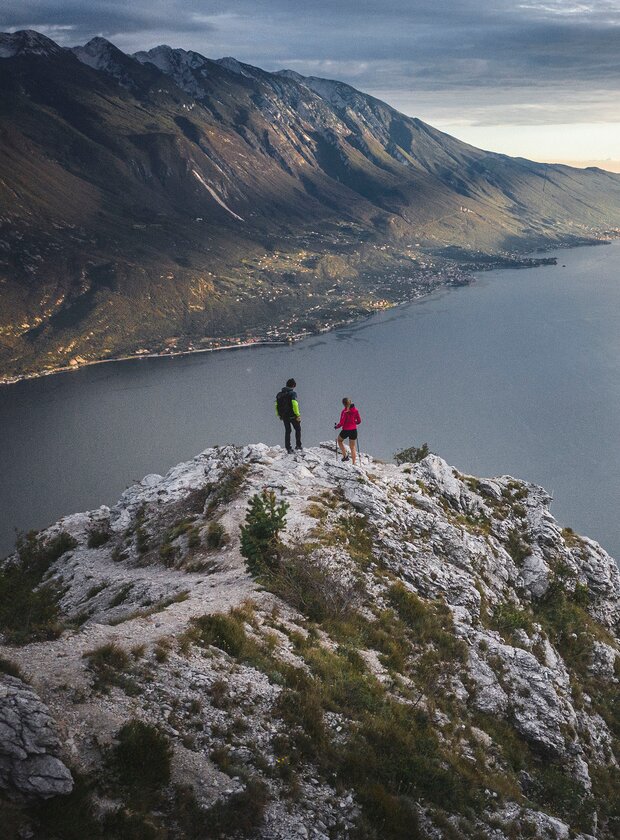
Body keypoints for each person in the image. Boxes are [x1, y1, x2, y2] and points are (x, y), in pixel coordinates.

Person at [275, 378, 302, 453]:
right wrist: (297, 414)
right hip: (292, 415)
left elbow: (276, 405)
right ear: (293, 385)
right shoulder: (292, 393)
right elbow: (295, 404)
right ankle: (298, 446)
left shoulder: (279, 394)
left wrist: (279, 415)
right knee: (298, 429)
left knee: (288, 431)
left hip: (284, 415)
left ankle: (288, 448)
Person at [335, 397, 361, 464]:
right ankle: (354, 463)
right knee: (352, 446)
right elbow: (359, 421)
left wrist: (337, 426)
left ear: (344, 404)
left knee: (339, 440)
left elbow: (342, 422)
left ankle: (345, 456)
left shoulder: (344, 412)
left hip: (346, 430)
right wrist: (354, 422)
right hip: (353, 430)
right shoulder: (356, 410)